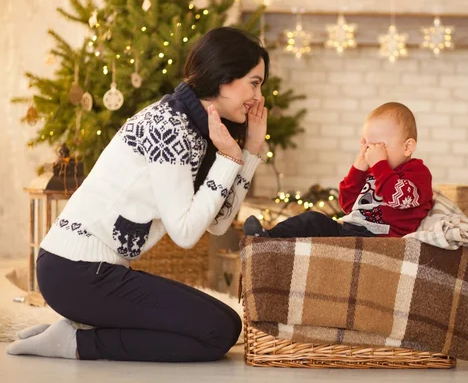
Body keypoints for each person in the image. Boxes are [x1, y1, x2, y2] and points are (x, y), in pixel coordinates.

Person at [7, 27, 269, 362]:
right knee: (216, 331)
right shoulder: (169, 126)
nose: (258, 97)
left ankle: (78, 331)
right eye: (254, 82)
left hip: (93, 272)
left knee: (227, 325)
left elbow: (217, 224)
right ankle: (76, 343)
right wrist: (230, 158)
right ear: (224, 79)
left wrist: (249, 152)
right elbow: (185, 233)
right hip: (75, 272)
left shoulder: (194, 128)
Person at [244, 102, 433, 238]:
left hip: (381, 240)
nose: (372, 151)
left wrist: (379, 165)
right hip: (351, 230)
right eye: (367, 144)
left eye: (380, 145)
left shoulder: (417, 173)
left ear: (407, 147)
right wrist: (359, 168)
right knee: (313, 220)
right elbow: (347, 204)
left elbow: (399, 198)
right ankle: (267, 238)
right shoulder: (373, 170)